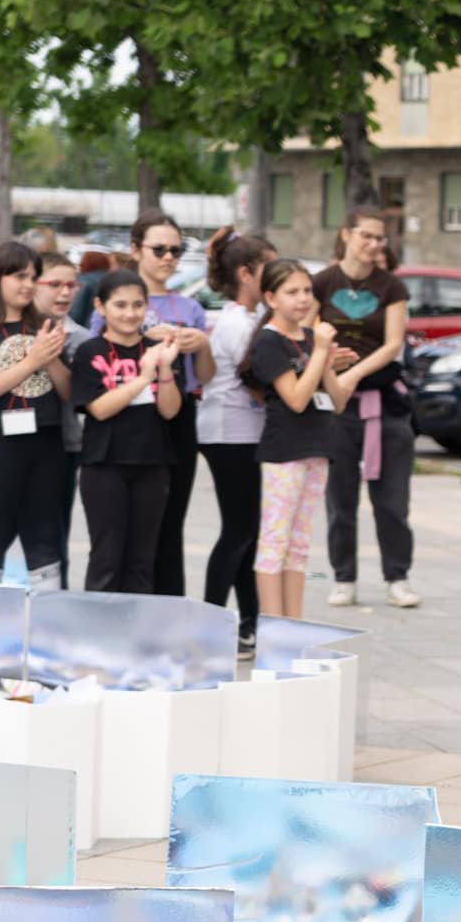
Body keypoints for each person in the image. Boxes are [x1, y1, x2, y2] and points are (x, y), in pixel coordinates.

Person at [91, 211, 215, 598]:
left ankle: (167, 610)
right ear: (135, 249)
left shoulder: (190, 307)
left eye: (176, 250)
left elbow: (204, 377)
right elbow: (98, 358)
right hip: (125, 415)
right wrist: (143, 337)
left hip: (178, 416)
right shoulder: (116, 300)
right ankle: (119, 610)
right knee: (122, 527)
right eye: (159, 249)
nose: (168, 258)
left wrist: (203, 344)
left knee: (170, 520)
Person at [312, 206, 420, 609]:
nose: (374, 244)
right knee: (339, 501)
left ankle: (398, 576)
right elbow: (308, 332)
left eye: (380, 238)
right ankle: (343, 578)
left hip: (385, 404)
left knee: (392, 500)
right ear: (346, 234)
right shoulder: (322, 283)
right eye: (367, 236)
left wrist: (352, 374)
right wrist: (326, 366)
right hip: (335, 408)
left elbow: (393, 344)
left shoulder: (391, 287)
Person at [254, 259, 360, 619]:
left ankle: (293, 624)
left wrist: (327, 363)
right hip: (285, 451)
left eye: (306, 291)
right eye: (291, 292)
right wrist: (318, 356)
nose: (301, 299)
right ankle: (272, 626)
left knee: (298, 546)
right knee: (274, 542)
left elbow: (337, 401)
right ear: (271, 297)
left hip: (318, 447)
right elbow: (297, 399)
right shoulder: (269, 341)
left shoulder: (312, 339)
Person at [68, 272, 186, 593]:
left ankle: (135, 637)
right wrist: (142, 376)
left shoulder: (158, 350)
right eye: (119, 305)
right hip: (104, 465)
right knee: (107, 557)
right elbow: (100, 408)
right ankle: (101, 637)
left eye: (137, 305)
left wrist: (163, 369)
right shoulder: (90, 351)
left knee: (142, 559)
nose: (129, 313)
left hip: (153, 463)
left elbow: (170, 410)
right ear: (100, 307)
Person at [0, 242, 71, 586]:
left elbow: (69, 392)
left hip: (47, 443)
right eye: (19, 276)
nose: (28, 284)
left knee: (44, 540)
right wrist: (32, 361)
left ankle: (45, 628)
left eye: (33, 277)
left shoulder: (45, 325)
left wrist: (50, 355)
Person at [200, 227, 277, 654]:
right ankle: (213, 621)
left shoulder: (249, 319)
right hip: (230, 434)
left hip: (242, 433)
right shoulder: (235, 322)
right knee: (239, 530)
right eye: (271, 270)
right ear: (247, 274)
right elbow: (255, 383)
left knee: (248, 531)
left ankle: (250, 622)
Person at [37, 253, 88, 587]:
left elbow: (73, 394)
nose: (64, 293)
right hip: (10, 444)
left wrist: (51, 355)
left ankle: (55, 614)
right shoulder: (7, 331)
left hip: (64, 447)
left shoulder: (81, 338)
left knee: (54, 537)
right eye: (54, 284)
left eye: (71, 285)